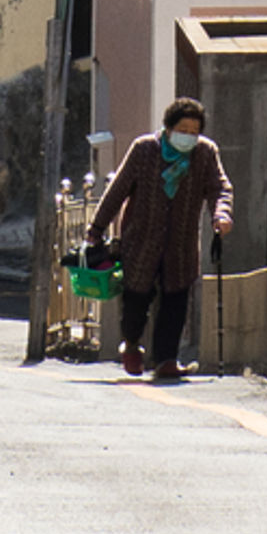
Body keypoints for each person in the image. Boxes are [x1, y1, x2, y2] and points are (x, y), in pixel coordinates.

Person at [86, 96, 232, 380]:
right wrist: (97, 228)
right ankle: (131, 344)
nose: (188, 136)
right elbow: (118, 190)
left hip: (181, 243)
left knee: (176, 301)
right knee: (136, 299)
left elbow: (220, 188)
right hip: (140, 241)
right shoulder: (144, 149)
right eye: (183, 129)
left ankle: (166, 359)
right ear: (168, 128)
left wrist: (222, 214)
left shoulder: (205, 153)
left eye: (194, 131)